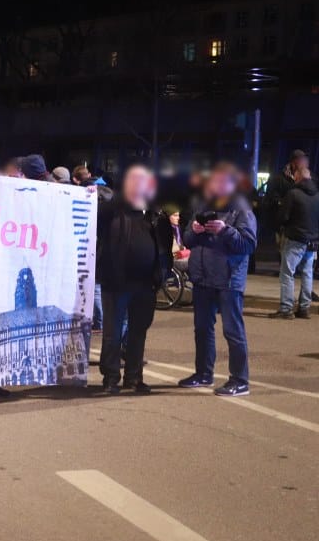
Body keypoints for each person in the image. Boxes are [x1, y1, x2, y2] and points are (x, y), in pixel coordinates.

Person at [179, 162, 257, 396]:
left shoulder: (241, 209)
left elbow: (248, 245)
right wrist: (194, 230)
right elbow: (187, 240)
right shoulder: (203, 205)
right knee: (202, 329)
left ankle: (240, 379)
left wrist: (225, 230)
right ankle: (204, 373)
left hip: (228, 280)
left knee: (233, 331)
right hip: (202, 277)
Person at [95, 163, 172, 394]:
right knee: (112, 333)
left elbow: (165, 245)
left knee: (139, 332)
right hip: (116, 282)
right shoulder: (112, 210)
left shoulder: (154, 213)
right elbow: (99, 218)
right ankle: (110, 378)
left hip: (145, 283)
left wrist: (162, 272)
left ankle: (134, 377)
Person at [272, 166, 318, 319]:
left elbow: (283, 216)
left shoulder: (293, 194)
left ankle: (286, 308)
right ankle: (304, 308)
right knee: (307, 273)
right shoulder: (317, 195)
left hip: (296, 239)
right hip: (312, 241)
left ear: (297, 177)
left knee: (287, 273)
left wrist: (281, 226)